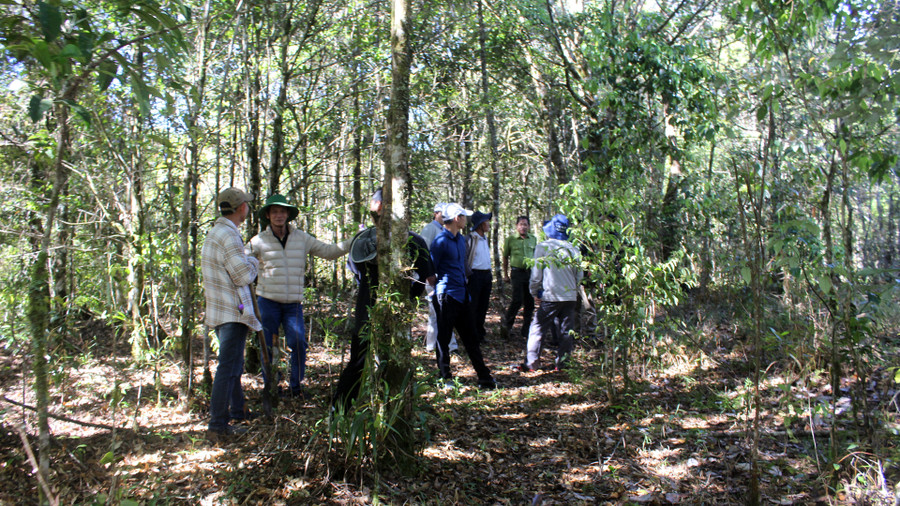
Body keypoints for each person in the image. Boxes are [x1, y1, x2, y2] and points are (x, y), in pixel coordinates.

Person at [332, 189, 435, 410]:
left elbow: (425, 275)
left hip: (392, 308)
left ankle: (390, 409)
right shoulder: (364, 240)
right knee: (360, 359)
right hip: (368, 306)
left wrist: (408, 298)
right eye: (378, 208)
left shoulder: (414, 240)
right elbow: (357, 269)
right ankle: (340, 408)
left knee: (394, 360)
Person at [246, 194, 351, 400]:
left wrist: (352, 241)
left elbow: (329, 251)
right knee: (268, 345)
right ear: (268, 215)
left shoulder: (301, 238)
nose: (279, 215)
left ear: (288, 215)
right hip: (267, 301)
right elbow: (242, 260)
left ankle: (296, 386)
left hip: (293, 303)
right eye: (275, 212)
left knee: (299, 343)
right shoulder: (258, 241)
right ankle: (271, 387)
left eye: (282, 211)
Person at [201, 187, 260, 438]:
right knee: (227, 367)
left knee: (234, 365)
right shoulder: (229, 235)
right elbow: (243, 275)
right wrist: (254, 261)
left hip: (222, 310)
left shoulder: (216, 232)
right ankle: (217, 425)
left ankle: (238, 410)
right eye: (246, 204)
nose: (247, 207)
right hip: (232, 311)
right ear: (241, 208)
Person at [431, 203, 496, 389]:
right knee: (443, 338)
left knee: (471, 338)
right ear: (457, 218)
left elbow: (463, 266)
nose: (467, 220)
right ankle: (445, 378)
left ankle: (484, 378)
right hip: (446, 296)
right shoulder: (440, 242)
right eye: (464, 216)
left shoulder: (461, 240)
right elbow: (431, 268)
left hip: (462, 295)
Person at [519, 214, 582, 372]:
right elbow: (579, 276)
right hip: (569, 296)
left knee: (538, 328)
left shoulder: (543, 247)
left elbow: (536, 274)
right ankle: (563, 364)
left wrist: (534, 292)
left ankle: (532, 363)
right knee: (566, 331)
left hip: (551, 296)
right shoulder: (573, 248)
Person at [421, 203, 458, 353]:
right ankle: (440, 345)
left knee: (442, 310)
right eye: (442, 214)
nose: (444, 217)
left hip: (444, 277)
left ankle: (439, 344)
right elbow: (424, 253)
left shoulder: (445, 230)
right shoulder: (430, 229)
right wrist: (429, 274)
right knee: (436, 310)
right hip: (432, 277)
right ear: (436, 213)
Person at [501, 216, 537, 340]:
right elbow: (505, 257)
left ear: (529, 226)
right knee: (517, 300)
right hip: (517, 273)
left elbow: (536, 257)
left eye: (525, 224)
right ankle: (507, 326)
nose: (523, 227)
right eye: (521, 224)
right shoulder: (511, 240)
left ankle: (525, 331)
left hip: (530, 273)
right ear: (517, 226)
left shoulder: (533, 239)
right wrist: (505, 274)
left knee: (530, 302)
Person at [465, 211, 493, 343]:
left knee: (483, 305)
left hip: (486, 276)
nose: (488, 224)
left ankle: (480, 333)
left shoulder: (485, 239)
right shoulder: (470, 238)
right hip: (475, 276)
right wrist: (468, 275)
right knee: (473, 306)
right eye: (486, 222)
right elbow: (464, 259)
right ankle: (471, 335)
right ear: (480, 224)